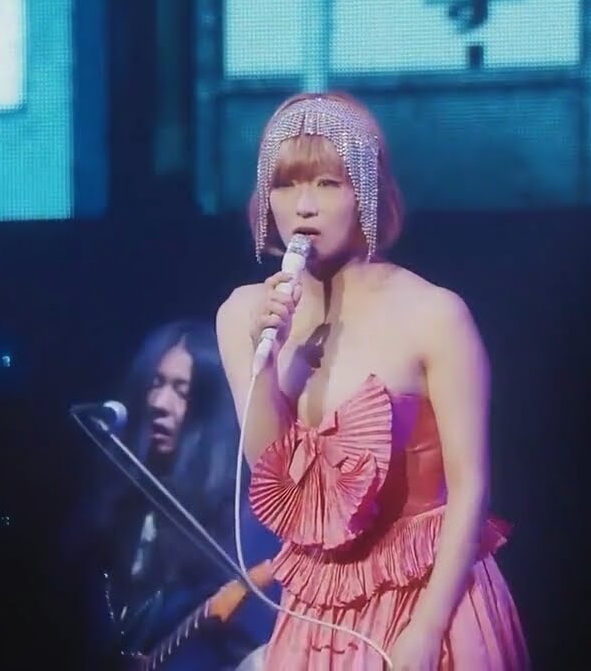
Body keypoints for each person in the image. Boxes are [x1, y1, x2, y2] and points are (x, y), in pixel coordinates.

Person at [215, 92, 529, 669]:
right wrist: (272, 357)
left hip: (431, 594)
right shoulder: (243, 314)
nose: (303, 206)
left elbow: (471, 488)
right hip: (319, 607)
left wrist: (426, 629)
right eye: (285, 185)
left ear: (367, 190)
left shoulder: (434, 314)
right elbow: (270, 470)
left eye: (327, 184)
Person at [67, 320, 281, 670]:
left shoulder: (241, 519)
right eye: (155, 384)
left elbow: (254, 650)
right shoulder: (119, 504)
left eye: (182, 392)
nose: (159, 403)